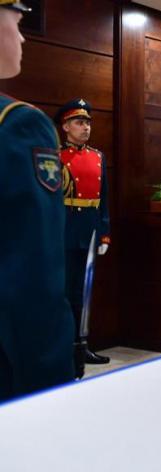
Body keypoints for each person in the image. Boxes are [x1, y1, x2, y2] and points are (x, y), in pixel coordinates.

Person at [0, 0, 75, 401]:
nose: (23, 37)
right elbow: (33, 275)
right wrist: (52, 375)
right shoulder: (18, 124)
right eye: (16, 21)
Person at [54, 98, 111, 365]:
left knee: (84, 292)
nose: (86, 127)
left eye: (88, 122)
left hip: (89, 229)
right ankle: (65, 347)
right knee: (66, 291)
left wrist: (105, 232)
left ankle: (82, 345)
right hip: (65, 229)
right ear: (65, 127)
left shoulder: (98, 157)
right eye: (79, 122)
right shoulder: (56, 157)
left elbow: (104, 200)